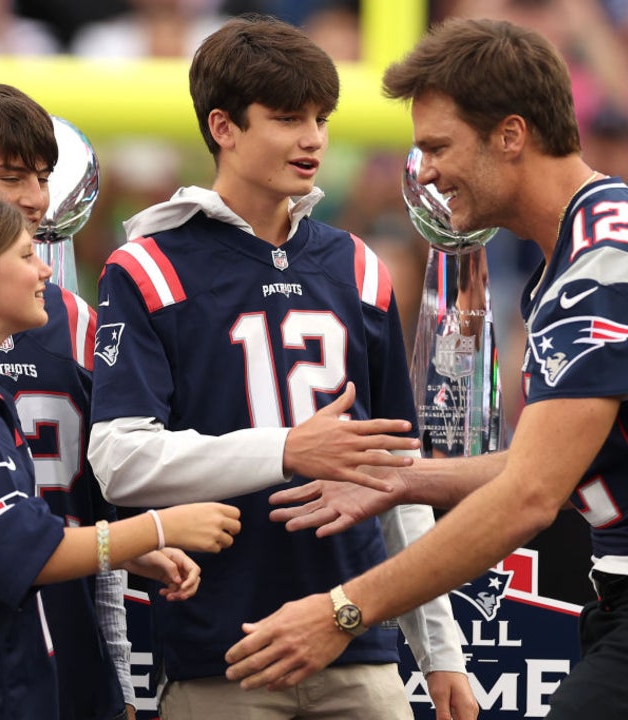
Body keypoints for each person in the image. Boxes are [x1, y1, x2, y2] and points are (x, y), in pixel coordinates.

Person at [223, 16, 628, 720]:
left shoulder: (598, 269)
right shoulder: (593, 239)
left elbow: (532, 495)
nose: (428, 171)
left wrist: (343, 611)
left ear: (511, 135)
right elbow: (554, 463)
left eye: (438, 147)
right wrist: (403, 480)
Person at [88, 14, 477, 720]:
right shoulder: (146, 266)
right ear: (223, 127)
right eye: (288, 117)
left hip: (355, 642)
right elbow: (117, 460)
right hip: (223, 656)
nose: (314, 139)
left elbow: (397, 473)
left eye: (322, 118)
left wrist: (440, 650)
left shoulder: (358, 265)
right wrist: (289, 449)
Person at [0, 80, 202, 720]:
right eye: (12, 176)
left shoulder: (74, 323)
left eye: (42, 177)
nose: (37, 199)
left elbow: (91, 510)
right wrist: (155, 528)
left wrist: (120, 681)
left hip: (59, 657)